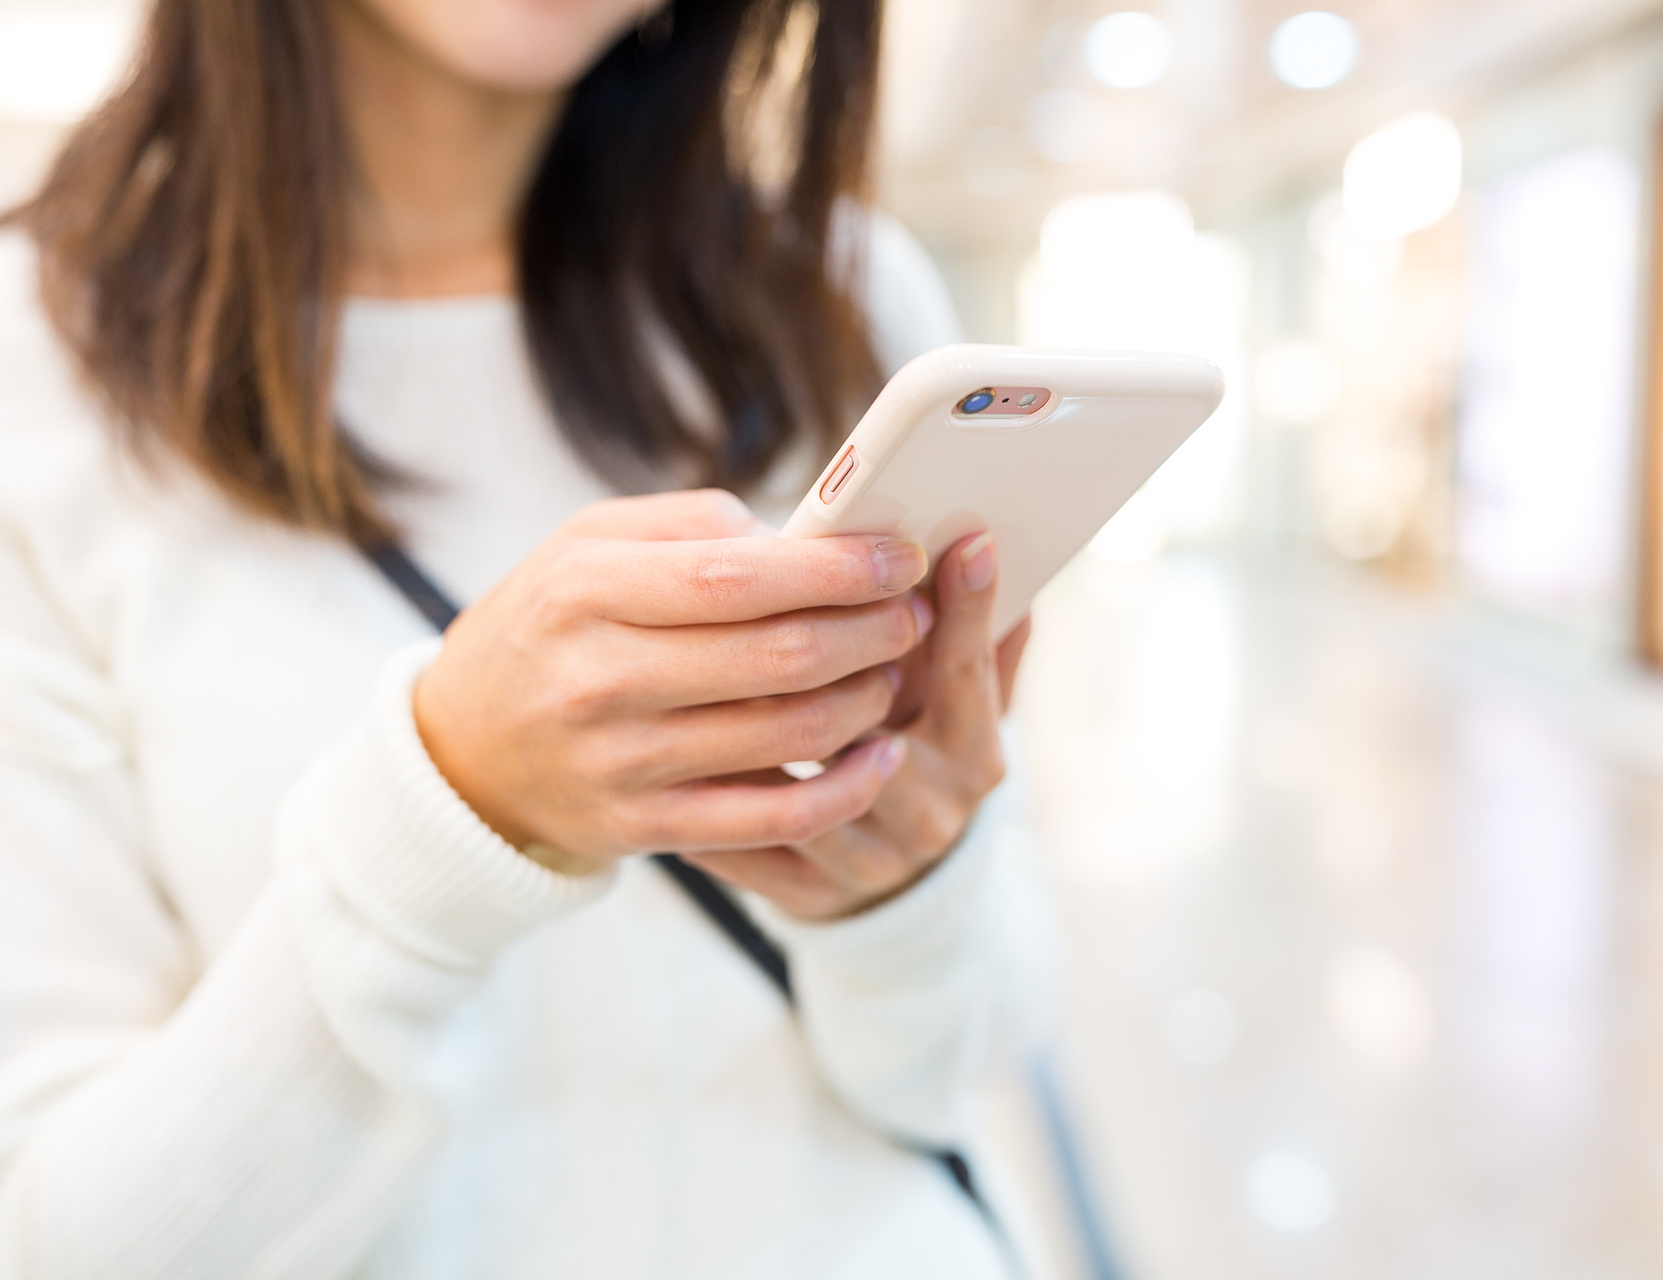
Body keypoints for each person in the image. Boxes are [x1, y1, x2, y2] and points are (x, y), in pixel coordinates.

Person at [0, 0, 1050, 1275]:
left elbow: (959, 1073)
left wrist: (908, 888)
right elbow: (66, 1242)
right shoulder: (38, 370)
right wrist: (447, 820)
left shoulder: (839, 292)